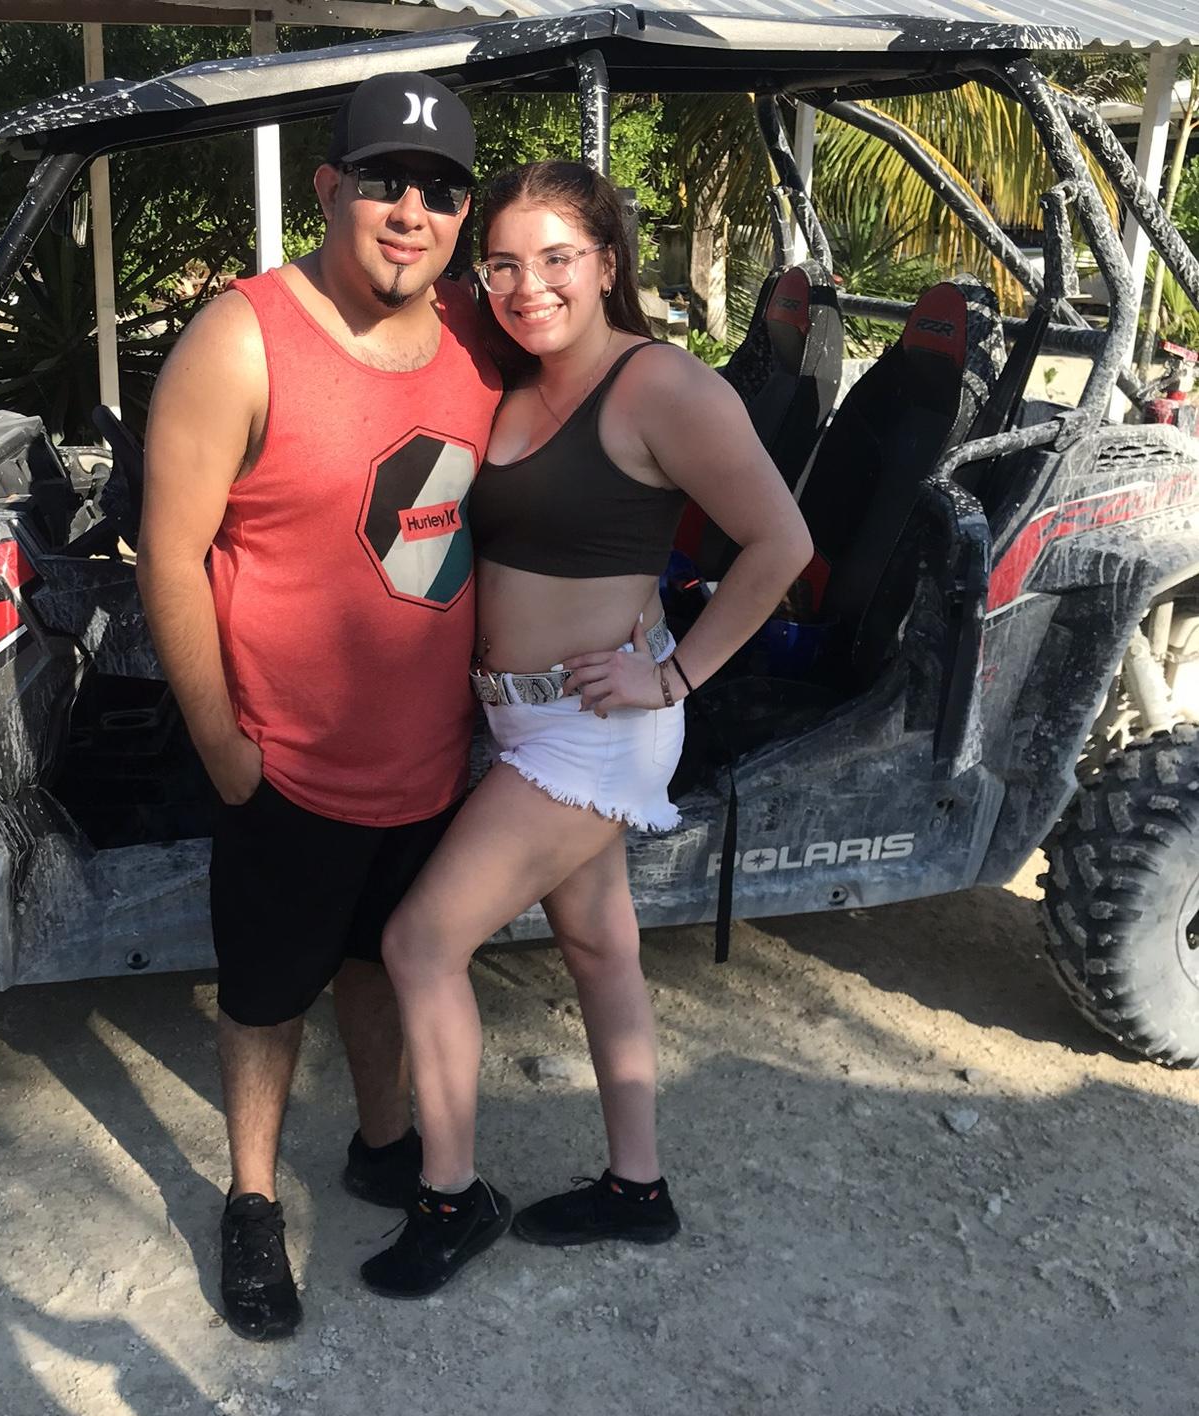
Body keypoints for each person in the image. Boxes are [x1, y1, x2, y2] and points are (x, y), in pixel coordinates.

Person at [361, 161, 814, 1298]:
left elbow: (782, 544)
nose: (529, 286)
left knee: (420, 944)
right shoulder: (518, 379)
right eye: (504, 264)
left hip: (594, 725)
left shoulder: (659, 384)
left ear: (608, 262)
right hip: (525, 722)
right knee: (602, 948)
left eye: (557, 258)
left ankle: (451, 1197)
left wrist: (678, 674)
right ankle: (636, 1188)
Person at [138, 72, 501, 1340]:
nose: (412, 211)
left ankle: (383, 1144)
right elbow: (169, 554)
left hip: (431, 760)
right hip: (284, 763)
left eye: (441, 191)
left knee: (384, 960)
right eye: (386, 181)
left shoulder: (479, 333)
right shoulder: (241, 339)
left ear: (463, 215)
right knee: (265, 995)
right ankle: (251, 1200)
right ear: (330, 187)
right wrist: (222, 746)